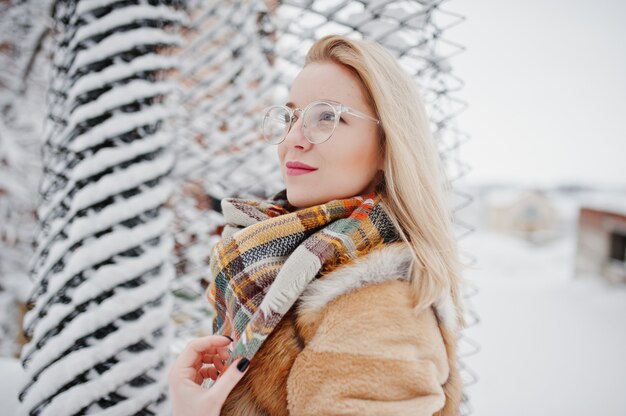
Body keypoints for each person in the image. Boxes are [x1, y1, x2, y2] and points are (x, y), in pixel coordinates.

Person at [168, 34, 465, 415]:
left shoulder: (376, 307)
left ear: (388, 145)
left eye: (327, 116)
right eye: (291, 116)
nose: (293, 139)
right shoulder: (282, 264)